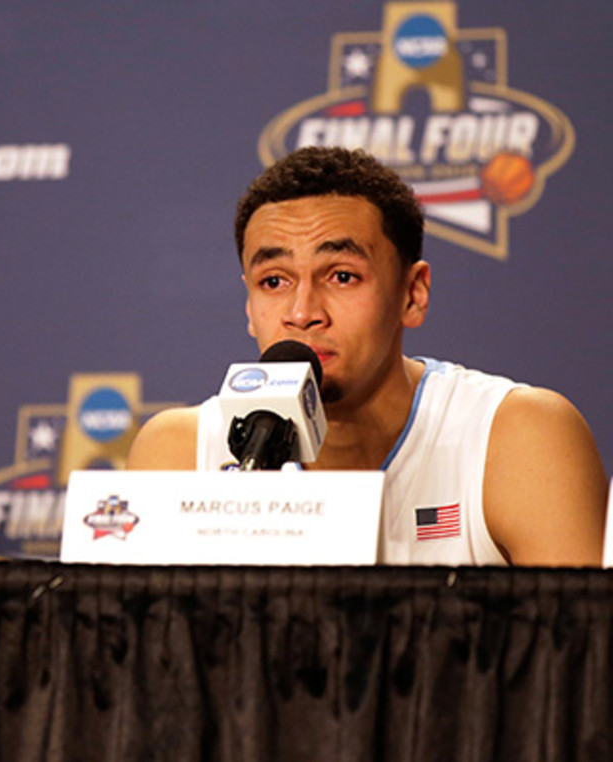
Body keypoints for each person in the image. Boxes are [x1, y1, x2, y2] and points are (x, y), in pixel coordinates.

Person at [127, 146, 607, 566]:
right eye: (274, 281)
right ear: (249, 308)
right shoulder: (179, 455)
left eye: (341, 276)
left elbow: (578, 659)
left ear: (412, 294)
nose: (302, 312)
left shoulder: (516, 438)